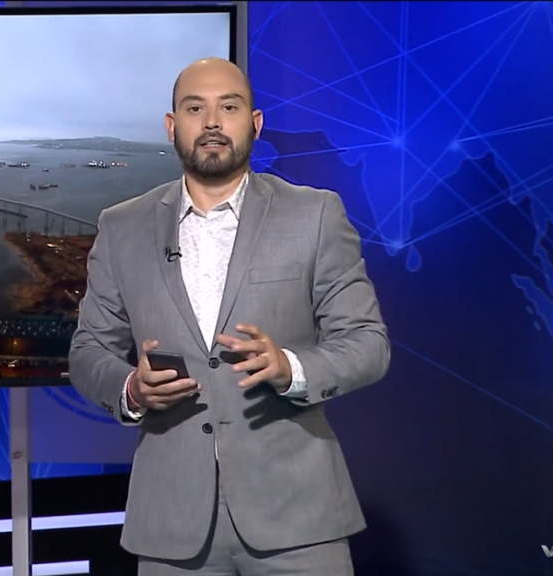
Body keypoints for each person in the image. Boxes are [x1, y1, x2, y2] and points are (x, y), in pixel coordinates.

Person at [67, 57, 390, 575]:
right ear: (172, 126)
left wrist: (291, 368)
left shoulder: (315, 214)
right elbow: (87, 352)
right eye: (195, 109)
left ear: (255, 123)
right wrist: (131, 389)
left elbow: (368, 344)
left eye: (229, 108)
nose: (213, 122)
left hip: (297, 517)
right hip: (172, 523)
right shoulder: (122, 227)